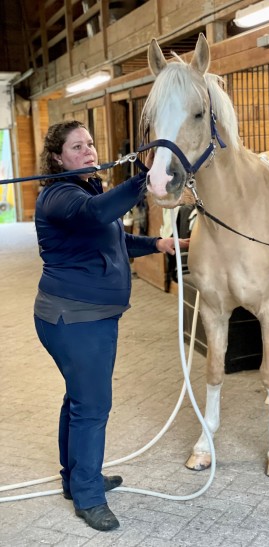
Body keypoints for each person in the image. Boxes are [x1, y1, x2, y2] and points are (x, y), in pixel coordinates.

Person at [34, 120, 189, 532]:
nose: (88, 151)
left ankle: (76, 477)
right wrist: (145, 179)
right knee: (93, 406)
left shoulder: (87, 189)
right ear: (57, 158)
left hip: (84, 317)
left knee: (80, 400)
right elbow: (96, 215)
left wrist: (157, 244)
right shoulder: (60, 196)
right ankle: (88, 496)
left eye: (89, 143)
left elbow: (112, 238)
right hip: (76, 319)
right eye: (76, 146)